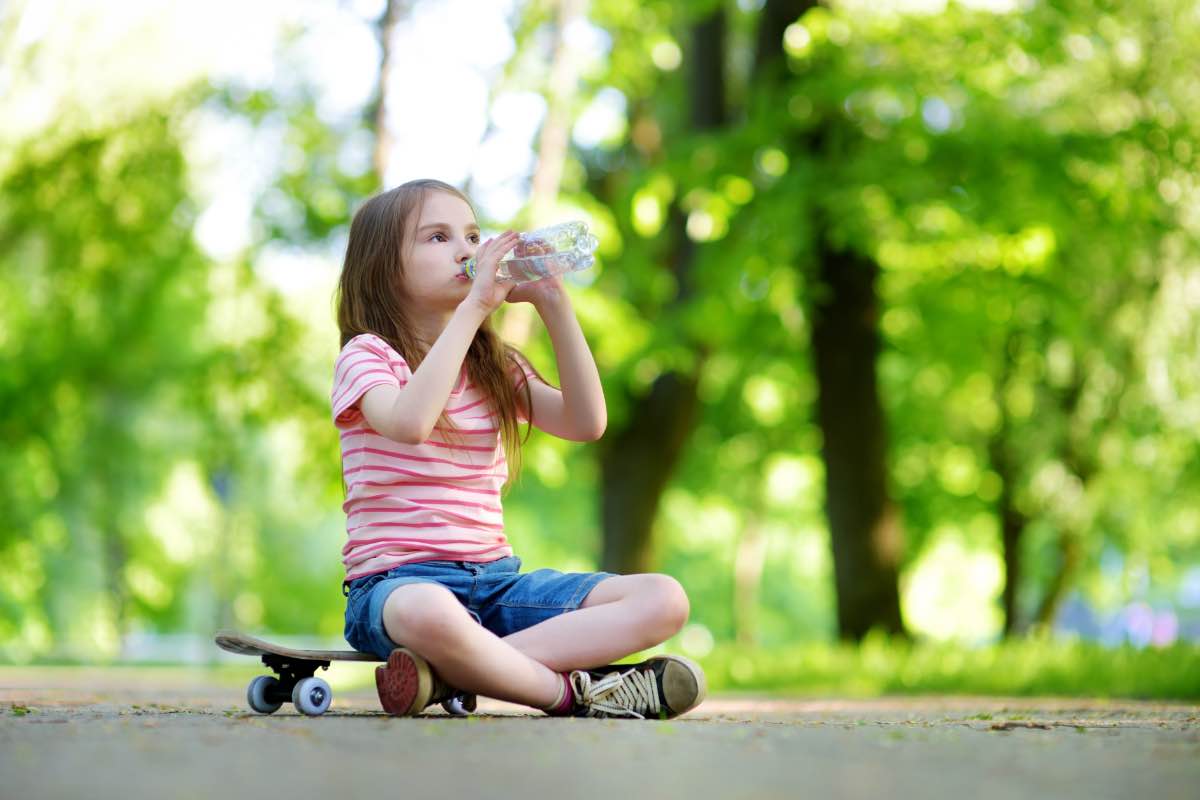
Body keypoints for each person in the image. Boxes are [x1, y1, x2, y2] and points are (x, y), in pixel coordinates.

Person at [332, 179, 706, 719]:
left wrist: (555, 305)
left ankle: (446, 678)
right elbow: (411, 422)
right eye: (437, 238)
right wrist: (478, 305)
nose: (466, 250)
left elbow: (586, 421)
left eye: (472, 235)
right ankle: (573, 694)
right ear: (385, 268)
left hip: (496, 582)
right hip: (396, 585)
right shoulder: (367, 355)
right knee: (431, 610)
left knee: (664, 598)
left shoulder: (493, 365)